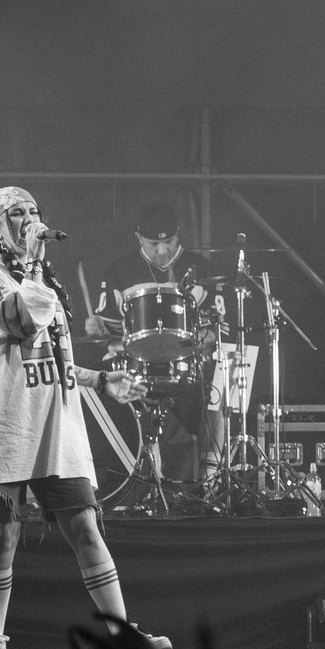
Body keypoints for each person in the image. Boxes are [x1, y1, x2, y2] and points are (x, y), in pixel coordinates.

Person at [0, 187, 154, 649]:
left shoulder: (46, 283)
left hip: (54, 427)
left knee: (85, 527)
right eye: (15, 215)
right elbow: (20, 324)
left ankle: (122, 639)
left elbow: (56, 357)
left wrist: (101, 380)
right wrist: (33, 267)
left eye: (33, 212)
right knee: (2, 536)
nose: (28, 220)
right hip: (3, 425)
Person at [84, 201, 224, 491]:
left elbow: (221, 327)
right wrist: (97, 329)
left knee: (219, 389)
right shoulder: (119, 271)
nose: (162, 251)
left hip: (190, 367)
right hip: (135, 370)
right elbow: (107, 337)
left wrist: (207, 338)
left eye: (169, 242)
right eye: (153, 244)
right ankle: (137, 484)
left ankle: (210, 484)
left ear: (178, 235)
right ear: (138, 238)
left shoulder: (201, 268)